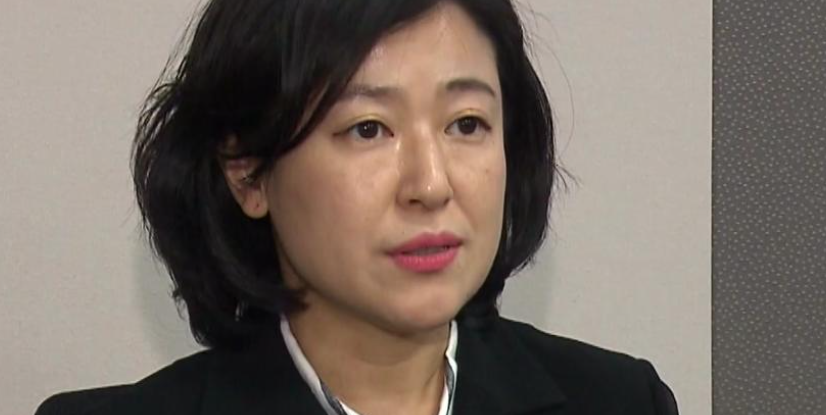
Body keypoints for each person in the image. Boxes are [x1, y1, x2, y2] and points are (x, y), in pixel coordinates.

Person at [36, 0, 679, 414]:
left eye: (466, 124)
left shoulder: (621, 401)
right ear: (248, 172)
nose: (431, 184)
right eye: (369, 129)